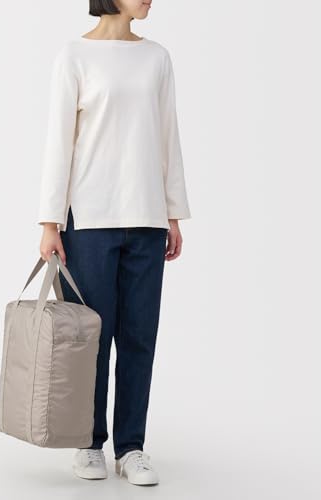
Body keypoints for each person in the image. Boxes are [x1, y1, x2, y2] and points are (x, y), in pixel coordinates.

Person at [37, 0, 191, 486]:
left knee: (140, 336)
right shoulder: (74, 56)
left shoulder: (157, 57)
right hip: (89, 218)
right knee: (92, 339)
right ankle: (89, 443)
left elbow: (168, 136)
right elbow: (59, 141)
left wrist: (172, 212)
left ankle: (131, 447)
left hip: (147, 216)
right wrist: (50, 222)